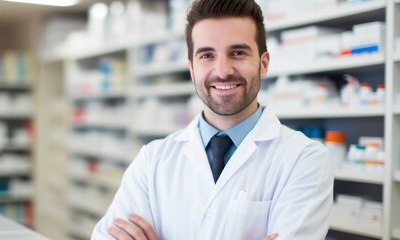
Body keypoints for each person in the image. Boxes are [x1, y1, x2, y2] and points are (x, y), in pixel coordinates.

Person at [91, 0, 334, 239]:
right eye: (207, 55)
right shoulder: (152, 161)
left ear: (263, 64)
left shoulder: (305, 159)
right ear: (192, 68)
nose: (222, 70)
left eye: (238, 53)